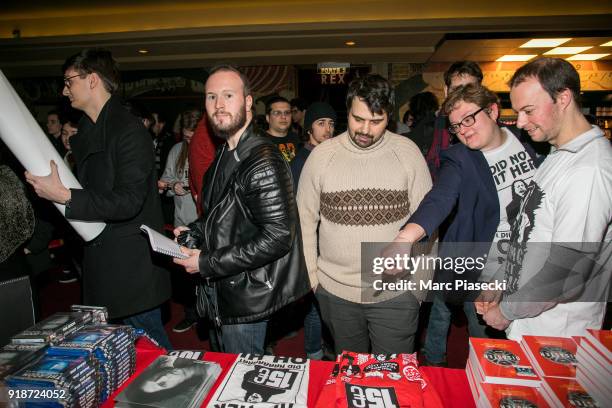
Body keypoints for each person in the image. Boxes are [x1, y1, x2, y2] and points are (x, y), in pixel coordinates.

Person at [25, 48, 172, 350]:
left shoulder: (128, 130)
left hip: (131, 268)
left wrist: (65, 196)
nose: (63, 91)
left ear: (92, 79)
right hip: (103, 261)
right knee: (121, 358)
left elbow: (129, 201)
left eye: (69, 81)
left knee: (155, 359)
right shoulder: (89, 132)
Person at [392, 84, 538, 366]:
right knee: (487, 345)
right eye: (456, 126)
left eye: (469, 119)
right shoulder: (460, 158)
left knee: (529, 345)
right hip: (485, 267)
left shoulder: (528, 140)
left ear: (493, 111)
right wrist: (405, 238)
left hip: (529, 260)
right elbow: (440, 198)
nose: (464, 130)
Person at [173, 65, 310, 355]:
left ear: (248, 102)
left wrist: (206, 263)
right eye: (211, 97)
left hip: (247, 293)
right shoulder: (225, 151)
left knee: (243, 382)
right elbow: (223, 213)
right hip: (224, 287)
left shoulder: (262, 160)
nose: (218, 105)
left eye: (228, 95)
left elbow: (278, 237)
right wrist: (195, 231)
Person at [478, 57, 612, 340]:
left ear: (563, 98)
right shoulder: (558, 153)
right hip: (531, 326)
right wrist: (499, 282)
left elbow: (567, 272)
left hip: (559, 334)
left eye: (528, 110)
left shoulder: (589, 169)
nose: (521, 122)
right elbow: (529, 238)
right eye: (517, 112)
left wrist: (507, 311)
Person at [297, 74, 432, 354]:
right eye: (358, 119)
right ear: (347, 111)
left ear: (390, 117)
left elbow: (429, 222)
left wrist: (419, 288)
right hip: (335, 294)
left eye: (376, 121)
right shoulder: (322, 156)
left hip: (395, 294)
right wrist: (313, 281)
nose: (365, 130)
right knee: (350, 379)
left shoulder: (408, 153)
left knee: (394, 380)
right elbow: (304, 221)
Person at [291, 101, 337, 360]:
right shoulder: (302, 161)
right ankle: (313, 353)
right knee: (316, 304)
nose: (327, 129)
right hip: (313, 243)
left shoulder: (332, 155)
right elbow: (300, 211)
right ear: (309, 129)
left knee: (329, 302)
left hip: (331, 242)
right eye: (321, 123)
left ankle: (323, 348)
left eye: (331, 123)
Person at [159, 110, 201, 333]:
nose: (189, 141)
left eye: (193, 136)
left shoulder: (211, 149)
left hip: (205, 224)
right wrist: (171, 185)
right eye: (186, 137)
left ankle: (208, 317)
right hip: (182, 222)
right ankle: (191, 314)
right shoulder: (177, 151)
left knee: (206, 274)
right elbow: (164, 180)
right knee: (185, 276)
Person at [426, 61, 483, 181]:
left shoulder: (488, 124)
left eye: (469, 90)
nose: (462, 97)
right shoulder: (432, 125)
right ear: (446, 91)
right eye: (456, 90)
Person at [265, 96, 301, 163]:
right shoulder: (260, 141)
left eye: (287, 113)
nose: (283, 117)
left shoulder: (296, 138)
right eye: (277, 113)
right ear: (268, 118)